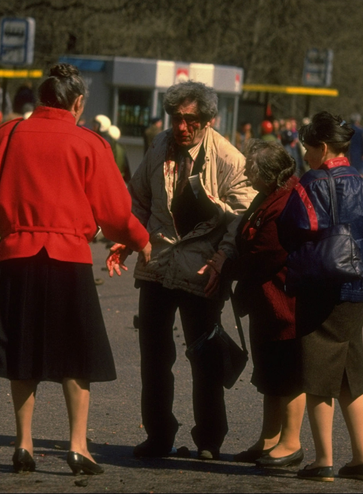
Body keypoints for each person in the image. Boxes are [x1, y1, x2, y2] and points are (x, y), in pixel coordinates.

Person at [0, 63, 151, 475]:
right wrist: (141, 240)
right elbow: (115, 211)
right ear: (77, 103)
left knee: (22, 354)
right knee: (76, 354)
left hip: (16, 256)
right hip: (67, 258)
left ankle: (23, 444)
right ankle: (77, 447)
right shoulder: (89, 142)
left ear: (41, 99)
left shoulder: (9, 133)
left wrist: (14, 220)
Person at [107, 80, 255, 460]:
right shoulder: (158, 145)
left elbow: (243, 216)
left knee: (204, 359)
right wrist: (128, 239)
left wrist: (222, 258)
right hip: (156, 265)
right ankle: (158, 434)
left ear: (207, 120)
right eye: (176, 118)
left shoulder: (227, 156)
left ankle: (209, 439)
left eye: (190, 120)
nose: (182, 127)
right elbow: (139, 198)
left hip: (202, 271)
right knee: (154, 358)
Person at [277, 111, 363, 482]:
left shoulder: (311, 183)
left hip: (319, 289)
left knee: (318, 378)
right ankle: (362, 458)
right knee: (350, 377)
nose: (305, 153)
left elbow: (291, 229)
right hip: (356, 291)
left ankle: (323, 459)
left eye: (308, 146)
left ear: (322, 147)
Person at [207, 139, 305, 468]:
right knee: (269, 373)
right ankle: (270, 438)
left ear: (269, 174)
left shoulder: (285, 201)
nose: (246, 176)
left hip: (284, 301)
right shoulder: (269, 196)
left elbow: (266, 254)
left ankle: (291, 442)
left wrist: (229, 267)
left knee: (287, 372)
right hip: (266, 302)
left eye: (251, 170)